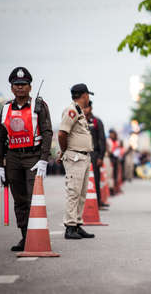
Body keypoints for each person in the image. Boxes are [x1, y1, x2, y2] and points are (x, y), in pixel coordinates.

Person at [0, 67, 53, 251]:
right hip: (13, 157)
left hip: (32, 156)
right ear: (11, 88)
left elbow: (47, 132)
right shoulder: (6, 108)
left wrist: (44, 159)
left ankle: (34, 235)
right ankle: (25, 236)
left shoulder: (39, 106)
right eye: (16, 85)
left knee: (31, 197)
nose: (20, 88)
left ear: (30, 86)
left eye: (23, 84)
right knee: (18, 199)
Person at [57, 83, 95, 240]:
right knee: (73, 192)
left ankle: (77, 224)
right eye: (87, 96)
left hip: (83, 157)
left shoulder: (79, 111)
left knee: (81, 193)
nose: (88, 99)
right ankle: (70, 226)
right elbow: (61, 134)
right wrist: (65, 151)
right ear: (84, 95)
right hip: (75, 156)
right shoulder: (72, 110)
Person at [83, 101, 108, 208]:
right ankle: (83, 203)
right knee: (82, 179)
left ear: (91, 108)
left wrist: (101, 156)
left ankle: (97, 201)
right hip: (82, 152)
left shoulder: (97, 121)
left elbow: (102, 140)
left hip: (94, 153)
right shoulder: (79, 120)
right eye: (83, 107)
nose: (85, 109)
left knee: (95, 178)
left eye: (87, 107)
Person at [107, 129, 120, 195]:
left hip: (115, 158)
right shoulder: (108, 140)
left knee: (115, 174)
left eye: (112, 133)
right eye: (110, 133)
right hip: (110, 158)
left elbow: (118, 149)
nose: (111, 135)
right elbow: (108, 150)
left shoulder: (117, 141)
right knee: (110, 174)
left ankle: (114, 188)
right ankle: (110, 189)